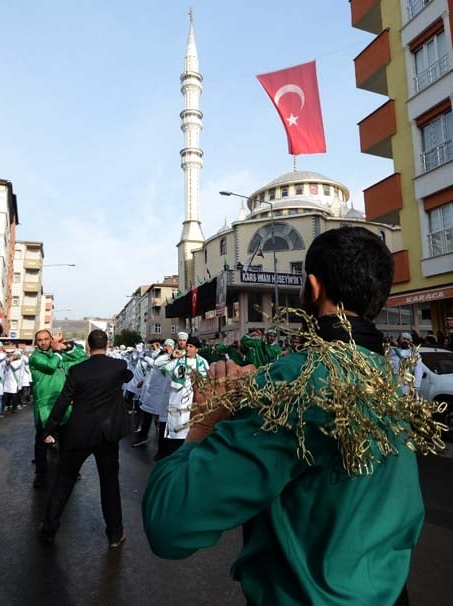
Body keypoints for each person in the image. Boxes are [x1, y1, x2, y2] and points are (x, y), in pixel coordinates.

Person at [143, 226, 443, 605]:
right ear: (378, 300)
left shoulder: (298, 381)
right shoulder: (389, 379)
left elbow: (169, 522)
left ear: (311, 289)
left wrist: (207, 418)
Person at [39, 329, 133, 548]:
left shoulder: (77, 371)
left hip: (79, 433)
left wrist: (48, 430)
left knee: (64, 481)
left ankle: (49, 529)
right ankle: (115, 534)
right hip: (108, 435)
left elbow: (62, 402)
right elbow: (127, 376)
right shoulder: (118, 366)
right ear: (107, 345)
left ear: (88, 347)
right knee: (109, 483)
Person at [29, 329, 86, 488]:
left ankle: (69, 471)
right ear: (36, 342)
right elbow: (51, 366)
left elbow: (82, 357)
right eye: (40, 340)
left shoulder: (57, 354)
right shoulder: (35, 357)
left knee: (66, 442)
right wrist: (57, 350)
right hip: (45, 407)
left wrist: (65, 348)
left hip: (63, 404)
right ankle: (40, 475)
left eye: (47, 339)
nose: (43, 342)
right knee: (41, 443)